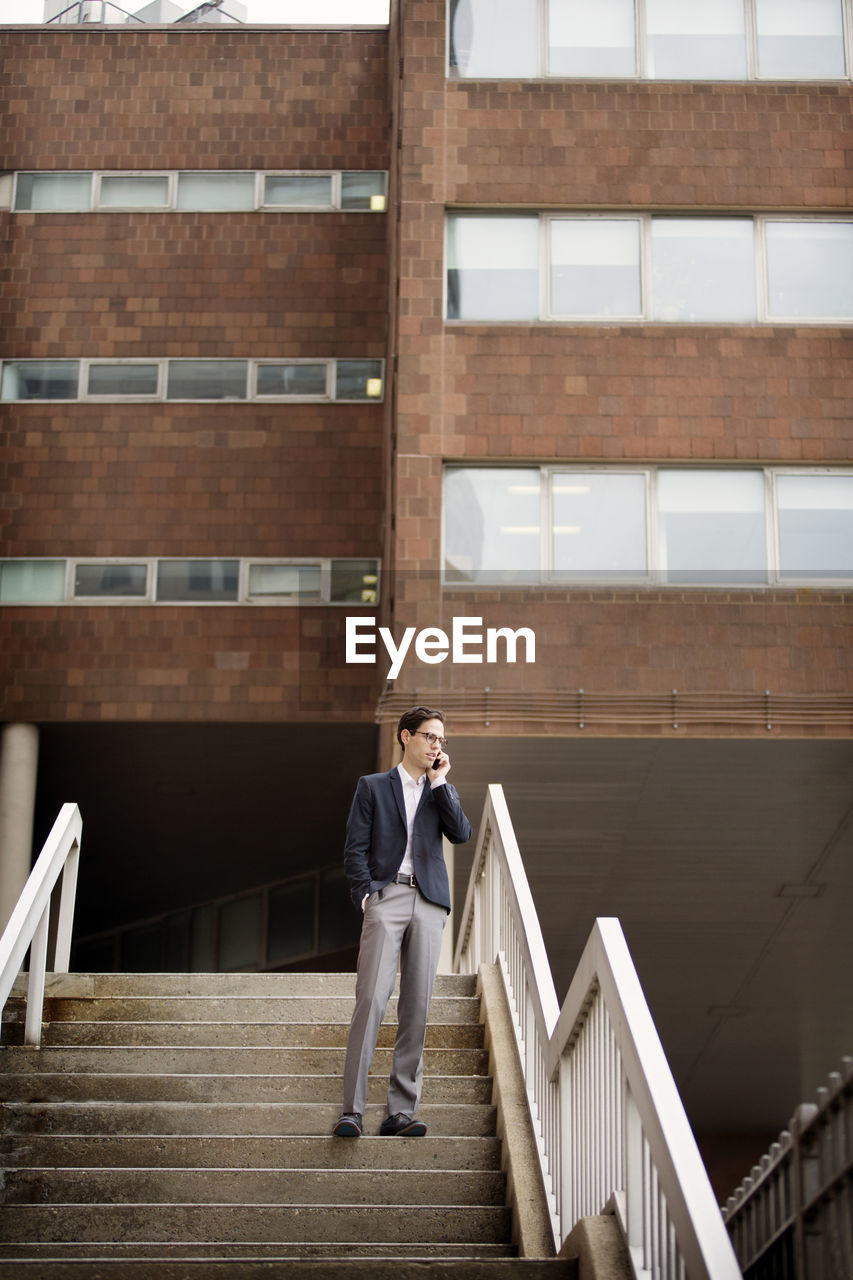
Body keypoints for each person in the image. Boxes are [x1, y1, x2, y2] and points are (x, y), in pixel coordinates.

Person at [333, 706, 473, 1137]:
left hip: (429, 902)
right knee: (372, 998)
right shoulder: (372, 786)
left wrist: (441, 781)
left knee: (417, 1006)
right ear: (406, 737)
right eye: (430, 737)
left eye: (442, 741)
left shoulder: (438, 790)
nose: (437, 746)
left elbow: (462, 833)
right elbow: (355, 847)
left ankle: (400, 1112)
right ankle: (352, 1110)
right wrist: (365, 896)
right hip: (387, 895)